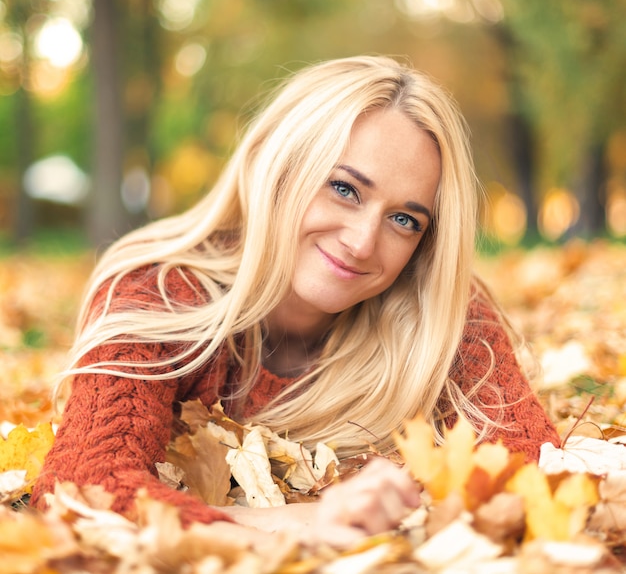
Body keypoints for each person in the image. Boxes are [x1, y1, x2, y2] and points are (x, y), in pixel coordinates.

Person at [31, 55, 560, 547]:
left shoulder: (439, 308)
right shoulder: (159, 290)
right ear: (278, 168)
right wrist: (297, 525)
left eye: (404, 219)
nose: (361, 242)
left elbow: (534, 470)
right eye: (345, 188)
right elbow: (84, 490)